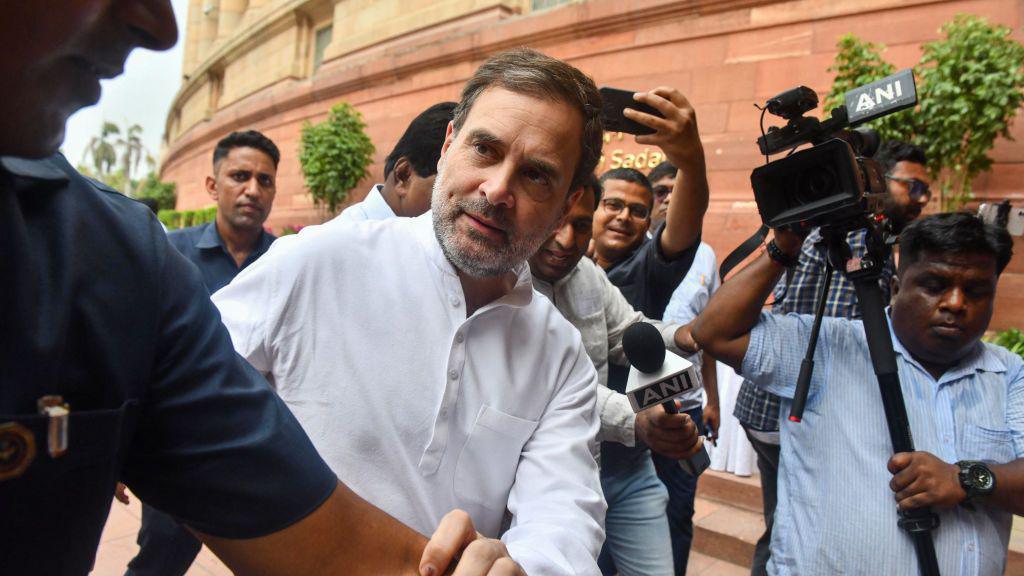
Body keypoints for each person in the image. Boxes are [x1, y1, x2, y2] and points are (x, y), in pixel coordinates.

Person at [0, 2, 489, 574]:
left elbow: (324, 538)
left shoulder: (120, 263)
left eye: (265, 179)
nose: (160, 30)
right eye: (240, 176)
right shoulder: (289, 256)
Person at [212, 48, 609, 575]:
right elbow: (184, 381)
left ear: (568, 203)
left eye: (536, 175)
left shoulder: (559, 354)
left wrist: (519, 564)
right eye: (484, 149)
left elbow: (566, 513)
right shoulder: (319, 262)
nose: (497, 190)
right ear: (448, 146)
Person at [693, 212, 1020, 575]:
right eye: (935, 285)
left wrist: (966, 479)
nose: (956, 303)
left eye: (976, 291)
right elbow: (714, 333)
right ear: (895, 288)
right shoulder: (827, 345)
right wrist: (784, 244)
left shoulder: (1010, 375)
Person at [731, 140, 929, 575]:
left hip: (779, 407)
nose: (921, 201)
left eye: (926, 191)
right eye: (913, 187)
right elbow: (840, 331)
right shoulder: (852, 237)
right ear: (875, 180)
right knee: (792, 524)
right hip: (788, 409)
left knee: (782, 519)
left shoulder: (865, 236)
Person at [529, 173, 703, 575]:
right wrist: (636, 421)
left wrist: (687, 334)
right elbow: (554, 389)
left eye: (579, 224)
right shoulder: (506, 285)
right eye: (555, 221)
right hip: (555, 479)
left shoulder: (588, 275)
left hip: (629, 472)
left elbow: (629, 332)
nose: (566, 240)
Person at [125, 130, 281, 576]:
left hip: (261, 450)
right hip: (177, 447)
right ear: (213, 186)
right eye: (240, 176)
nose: (253, 189)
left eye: (265, 180)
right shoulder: (170, 254)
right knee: (160, 559)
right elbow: (135, 348)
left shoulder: (289, 262)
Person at [589, 99, 709, 574]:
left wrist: (690, 157)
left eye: (638, 211)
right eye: (612, 204)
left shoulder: (649, 266)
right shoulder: (555, 270)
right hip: (573, 457)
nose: (624, 217)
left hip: (639, 447)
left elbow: (683, 226)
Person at [337, 101, 456, 221]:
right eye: (448, 193)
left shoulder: (427, 235)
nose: (457, 207)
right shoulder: (342, 236)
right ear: (403, 176)